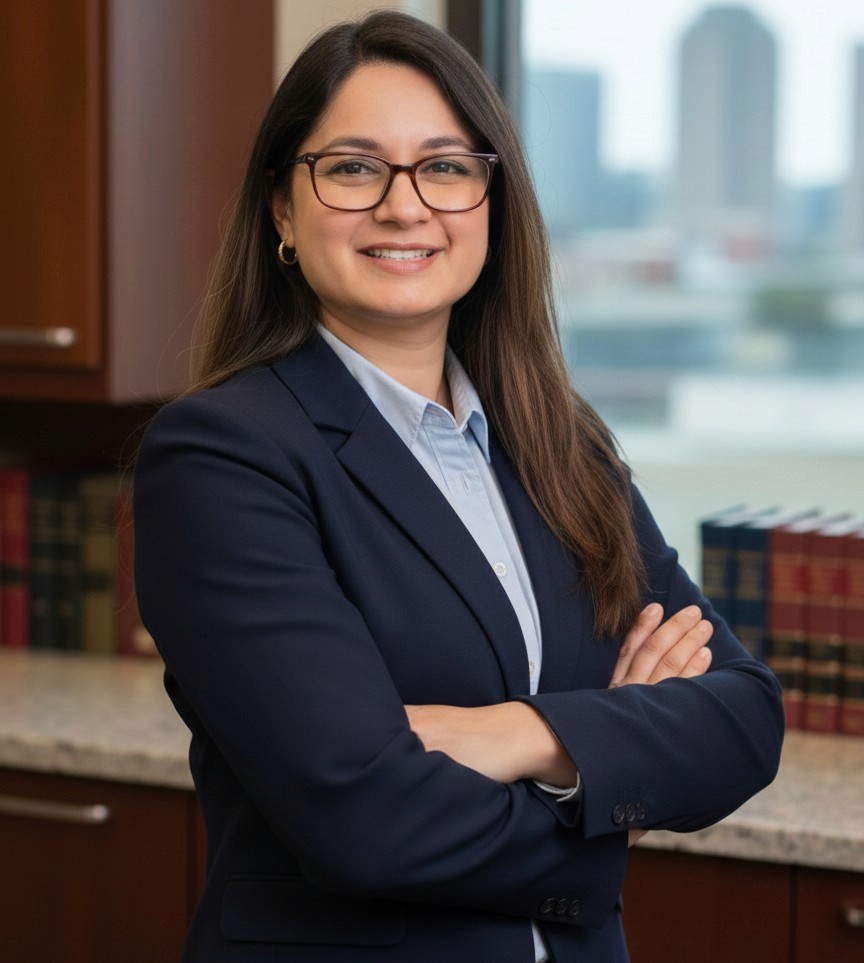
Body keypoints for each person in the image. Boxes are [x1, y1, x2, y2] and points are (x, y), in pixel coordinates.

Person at [133, 11, 784, 962]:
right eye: (353, 168)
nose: (406, 206)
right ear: (282, 206)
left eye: (445, 166)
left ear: (491, 200)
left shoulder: (560, 441)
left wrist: (516, 735)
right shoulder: (223, 457)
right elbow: (364, 817)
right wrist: (609, 797)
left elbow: (742, 714)